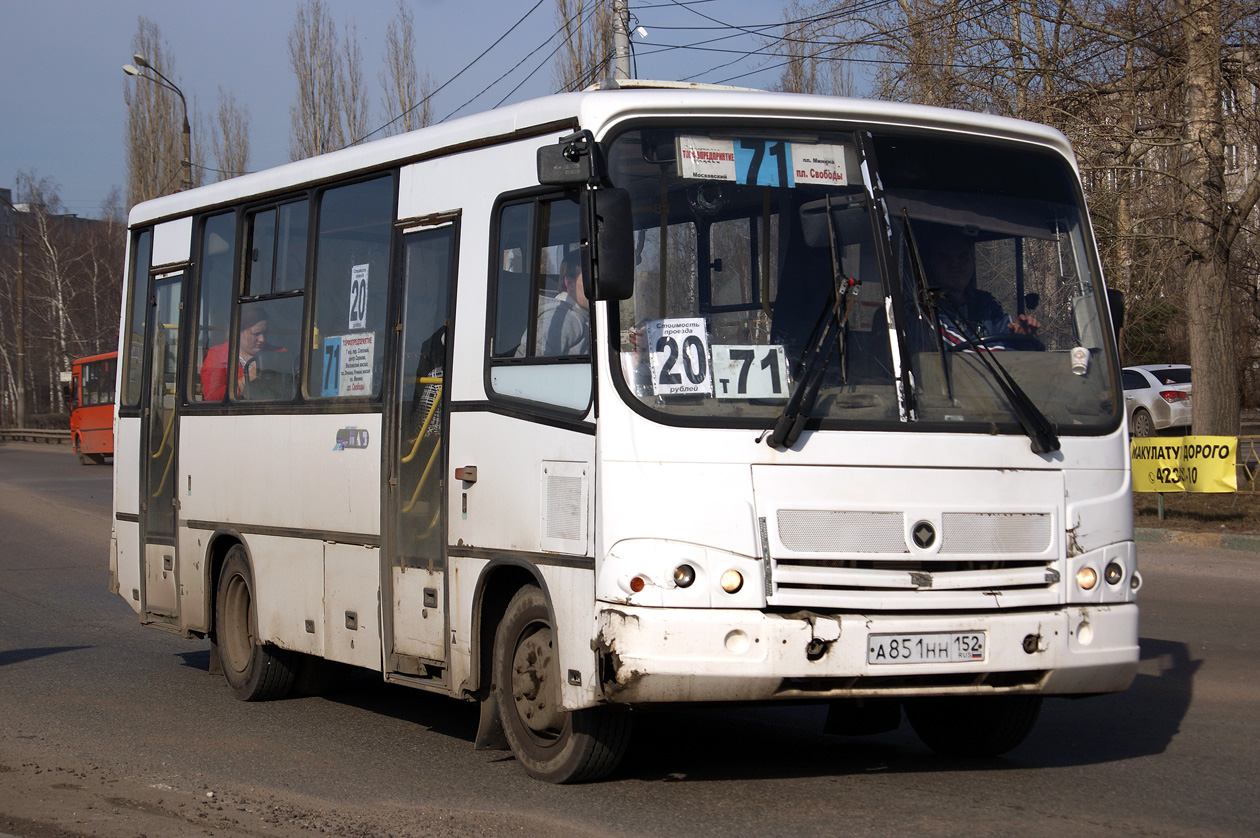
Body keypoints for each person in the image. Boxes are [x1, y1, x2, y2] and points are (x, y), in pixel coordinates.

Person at [919, 226, 1039, 347]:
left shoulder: (985, 303)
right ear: (932, 262)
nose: (955, 263)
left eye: (963, 256)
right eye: (945, 257)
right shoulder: (927, 304)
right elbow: (963, 352)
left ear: (973, 261)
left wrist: (1021, 338)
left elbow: (1007, 337)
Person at [516, 252, 589, 357]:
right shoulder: (561, 318)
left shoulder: (577, 316)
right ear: (569, 283)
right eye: (589, 281)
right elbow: (532, 363)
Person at [200, 306, 268, 401]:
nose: (262, 339)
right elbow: (212, 397)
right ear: (239, 332)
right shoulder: (217, 355)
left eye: (265, 333)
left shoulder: (278, 354)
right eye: (256, 334)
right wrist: (246, 379)